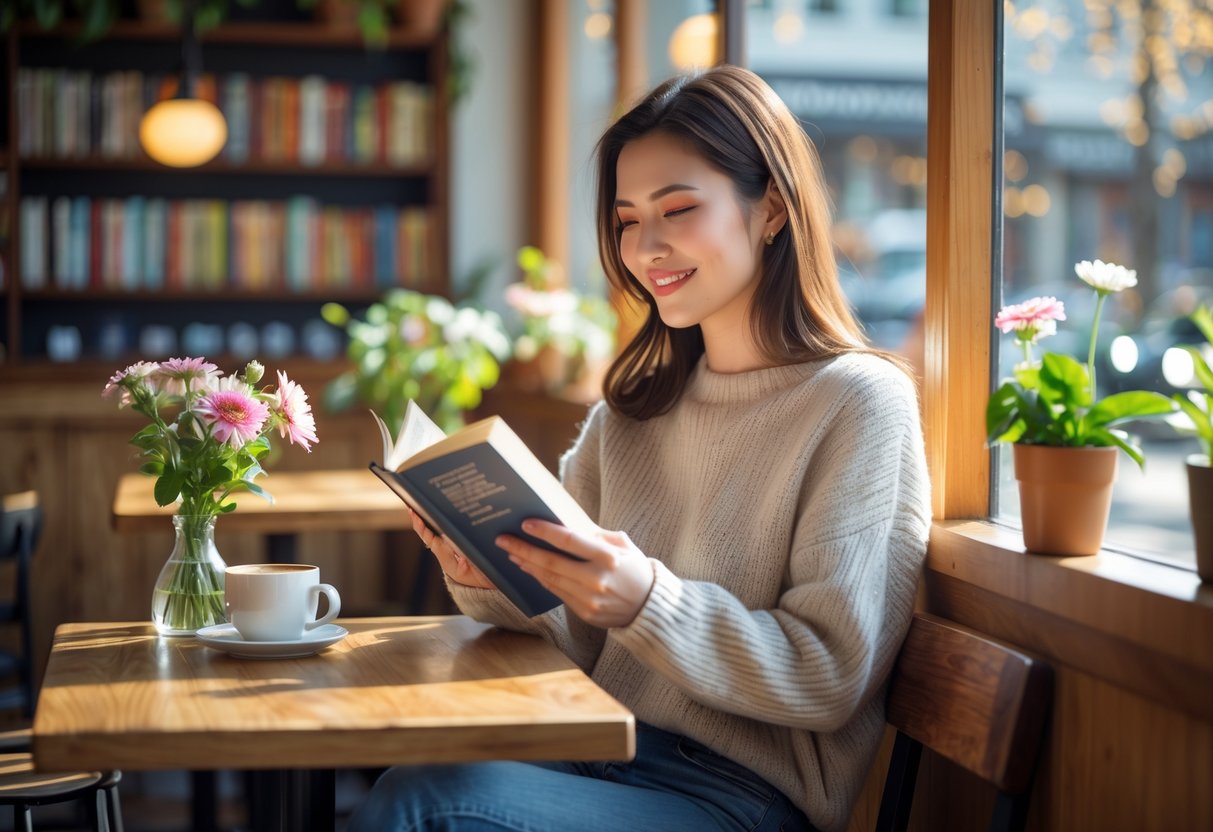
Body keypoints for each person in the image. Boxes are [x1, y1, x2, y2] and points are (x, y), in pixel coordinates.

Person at [348, 64, 931, 832]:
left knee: (426, 805)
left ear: (772, 211)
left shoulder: (857, 402)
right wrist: (484, 573)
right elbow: (575, 637)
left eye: (677, 209)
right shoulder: (633, 412)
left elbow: (828, 676)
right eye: (625, 219)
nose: (644, 246)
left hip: (738, 797)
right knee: (407, 778)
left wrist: (648, 600)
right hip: (592, 745)